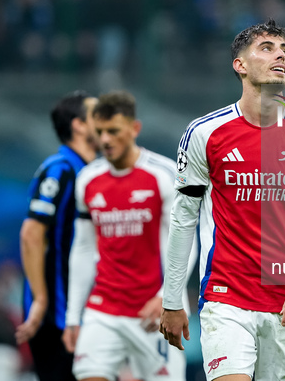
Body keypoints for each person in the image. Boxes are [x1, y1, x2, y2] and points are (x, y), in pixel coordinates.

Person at [160, 19, 285, 381]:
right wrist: (171, 300)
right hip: (225, 299)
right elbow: (184, 217)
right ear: (240, 65)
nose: (280, 56)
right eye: (267, 48)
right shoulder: (205, 133)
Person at [63, 91, 193, 381]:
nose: (105, 140)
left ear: (134, 129)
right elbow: (83, 249)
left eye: (113, 131)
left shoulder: (164, 175)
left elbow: (185, 242)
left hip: (154, 312)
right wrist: (73, 316)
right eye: (100, 132)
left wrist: (166, 297)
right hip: (103, 309)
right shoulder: (88, 180)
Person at [16, 91, 99, 381]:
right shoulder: (60, 170)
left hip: (86, 311)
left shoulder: (91, 172)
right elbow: (31, 233)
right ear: (78, 125)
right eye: (96, 114)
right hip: (57, 314)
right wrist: (40, 299)